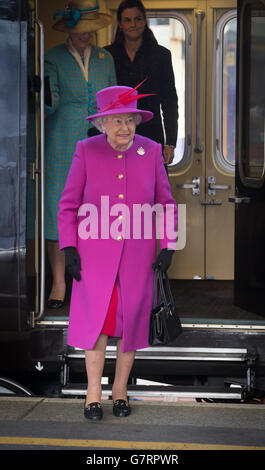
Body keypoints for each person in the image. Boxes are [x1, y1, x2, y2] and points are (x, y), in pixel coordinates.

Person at [57, 84, 178, 420]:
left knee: (132, 324)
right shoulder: (86, 150)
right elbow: (68, 205)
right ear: (102, 124)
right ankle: (92, 395)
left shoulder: (151, 151)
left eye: (130, 120)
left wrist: (168, 245)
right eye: (117, 121)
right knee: (98, 324)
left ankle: (120, 391)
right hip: (93, 256)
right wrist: (69, 246)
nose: (125, 128)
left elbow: (165, 204)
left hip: (138, 256)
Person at [45, 1, 116, 309]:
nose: (85, 34)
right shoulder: (52, 57)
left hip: (101, 143)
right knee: (58, 210)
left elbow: (114, 101)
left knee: (97, 212)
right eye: (79, 29)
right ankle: (59, 283)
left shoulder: (105, 58)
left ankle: (92, 281)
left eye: (89, 28)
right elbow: (49, 103)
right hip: (62, 141)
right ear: (69, 31)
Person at [104, 0, 178, 165]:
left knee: (150, 189)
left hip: (151, 134)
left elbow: (170, 102)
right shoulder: (107, 56)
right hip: (115, 135)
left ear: (145, 21)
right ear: (120, 24)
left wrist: (171, 143)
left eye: (137, 19)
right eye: (127, 20)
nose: (133, 24)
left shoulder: (161, 56)